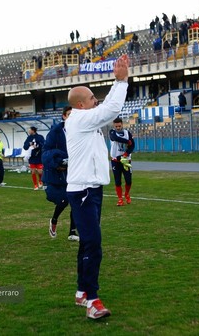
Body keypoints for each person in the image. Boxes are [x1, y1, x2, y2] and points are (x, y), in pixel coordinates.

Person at [65, 54, 129, 320]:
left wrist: (118, 81)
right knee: (93, 244)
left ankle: (81, 291)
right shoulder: (79, 119)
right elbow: (110, 111)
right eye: (92, 98)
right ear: (81, 105)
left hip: (92, 190)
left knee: (87, 244)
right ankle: (92, 300)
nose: (96, 100)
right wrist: (121, 80)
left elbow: (105, 109)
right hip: (81, 191)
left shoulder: (85, 119)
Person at [42, 106, 79, 241]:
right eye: (69, 114)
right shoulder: (55, 132)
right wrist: (58, 164)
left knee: (75, 202)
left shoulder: (80, 130)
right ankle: (54, 220)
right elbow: (46, 153)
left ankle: (72, 232)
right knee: (63, 201)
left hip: (75, 172)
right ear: (64, 116)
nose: (72, 117)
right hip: (58, 174)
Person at [109, 117, 135, 207]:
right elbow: (115, 138)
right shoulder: (112, 132)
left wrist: (126, 153)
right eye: (116, 126)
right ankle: (120, 199)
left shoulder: (127, 133)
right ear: (114, 125)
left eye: (119, 126)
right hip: (115, 161)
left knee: (128, 180)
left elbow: (132, 145)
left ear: (122, 124)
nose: (118, 128)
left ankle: (127, 194)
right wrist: (127, 141)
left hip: (125, 160)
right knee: (117, 181)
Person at [23, 126, 45, 190]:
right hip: (31, 157)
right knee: (33, 171)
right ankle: (35, 185)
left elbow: (43, 144)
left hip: (38, 156)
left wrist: (37, 146)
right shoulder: (28, 138)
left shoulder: (40, 137)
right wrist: (29, 144)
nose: (28, 131)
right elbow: (25, 146)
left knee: (40, 171)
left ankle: (40, 181)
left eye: (29, 130)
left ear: (33, 130)